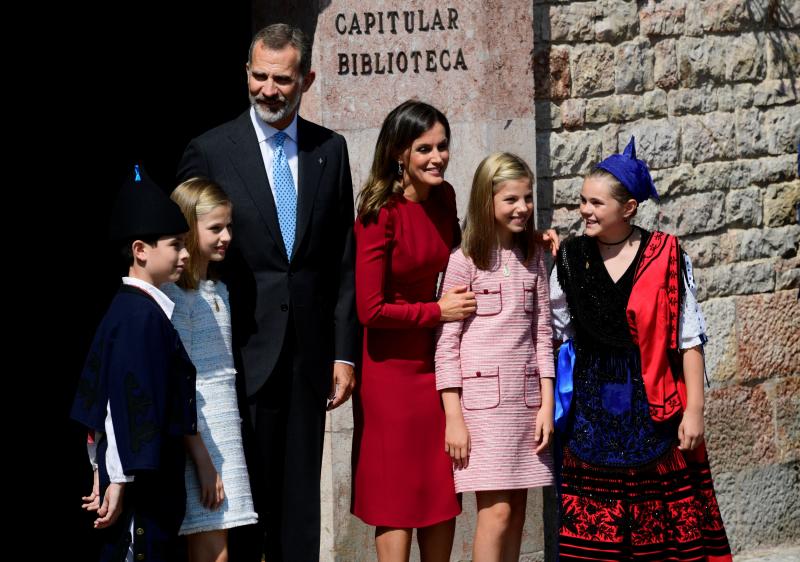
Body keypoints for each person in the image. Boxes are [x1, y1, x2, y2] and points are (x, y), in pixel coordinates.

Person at [177, 23, 358, 561]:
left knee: (300, 506)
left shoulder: (331, 150)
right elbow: (185, 256)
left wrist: (344, 351)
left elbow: (341, 261)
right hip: (236, 356)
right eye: (259, 76)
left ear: (307, 79)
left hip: (308, 359)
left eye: (282, 79)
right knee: (241, 503)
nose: (269, 90)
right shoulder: (209, 150)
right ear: (246, 74)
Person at [550, 137, 732, 561]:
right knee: (591, 539)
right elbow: (556, 332)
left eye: (596, 203)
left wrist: (695, 412)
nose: (585, 210)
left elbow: (689, 338)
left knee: (659, 538)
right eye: (582, 201)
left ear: (628, 208)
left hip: (654, 408)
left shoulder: (666, 255)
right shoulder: (572, 258)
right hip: (591, 412)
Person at [71, 165, 197, 562]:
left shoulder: (133, 310)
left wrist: (103, 469)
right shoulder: (138, 318)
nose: (185, 254)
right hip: (144, 489)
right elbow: (122, 403)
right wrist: (119, 479)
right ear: (141, 250)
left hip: (137, 480)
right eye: (175, 245)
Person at [435, 152, 555, 562]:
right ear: (487, 201)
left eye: (527, 198)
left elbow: (542, 332)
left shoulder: (534, 257)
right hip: (482, 411)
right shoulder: (463, 261)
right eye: (510, 199)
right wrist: (454, 415)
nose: (522, 208)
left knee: (518, 510)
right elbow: (446, 345)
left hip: (526, 404)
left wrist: (547, 401)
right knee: (496, 513)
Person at [162, 178, 259, 562]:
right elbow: (181, 382)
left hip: (223, 434)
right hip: (199, 438)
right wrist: (201, 458)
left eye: (229, 226)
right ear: (189, 226)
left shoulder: (217, 290)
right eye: (215, 227)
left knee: (220, 541)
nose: (226, 236)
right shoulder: (176, 296)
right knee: (207, 540)